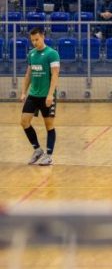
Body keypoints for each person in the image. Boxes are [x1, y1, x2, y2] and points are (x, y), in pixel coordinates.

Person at [20, 27, 60, 166]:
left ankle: (49, 155)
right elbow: (28, 75)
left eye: (37, 39)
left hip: (47, 96)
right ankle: (37, 150)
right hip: (33, 95)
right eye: (32, 40)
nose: (35, 42)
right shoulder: (31, 54)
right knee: (24, 122)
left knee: (49, 125)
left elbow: (55, 75)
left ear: (43, 37)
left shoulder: (52, 54)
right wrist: (24, 92)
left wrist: (50, 95)